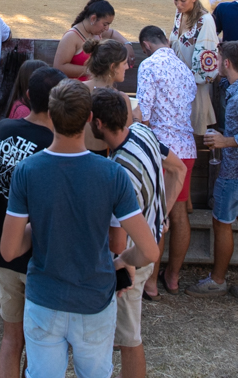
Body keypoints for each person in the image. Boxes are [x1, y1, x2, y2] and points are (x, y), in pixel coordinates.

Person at [0, 80, 159, 378]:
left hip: (44, 301)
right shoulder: (112, 173)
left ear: (50, 114)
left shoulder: (27, 171)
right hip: (94, 302)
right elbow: (149, 250)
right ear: (88, 119)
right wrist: (124, 260)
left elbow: (9, 250)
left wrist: (43, 226)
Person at [90, 87, 186, 378]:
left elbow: (118, 242)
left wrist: (122, 264)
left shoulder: (119, 172)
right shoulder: (143, 133)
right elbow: (178, 170)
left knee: (129, 340)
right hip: (147, 246)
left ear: (98, 123)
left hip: (130, 261)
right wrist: (160, 215)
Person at [0, 66, 64, 378]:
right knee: (41, 342)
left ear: (29, 96)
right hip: (38, 254)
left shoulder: (3, 128)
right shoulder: (54, 145)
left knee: (10, 338)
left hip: (0, 247)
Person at [186, 41, 238, 308]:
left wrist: (225, 141)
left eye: (219, 58)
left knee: (222, 223)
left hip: (237, 173)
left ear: (226, 63)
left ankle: (218, 280)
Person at [135, 25, 196, 298]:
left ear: (145, 45)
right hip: (186, 148)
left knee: (156, 215)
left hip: (161, 149)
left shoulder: (148, 66)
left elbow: (144, 115)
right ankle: (172, 277)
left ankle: (149, 283)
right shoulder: (184, 69)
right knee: (179, 214)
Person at [169, 0, 219, 137]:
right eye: (175, 0)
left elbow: (207, 58)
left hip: (194, 87)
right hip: (177, 85)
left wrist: (189, 81)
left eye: (183, 1)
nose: (178, 5)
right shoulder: (179, 14)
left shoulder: (205, 21)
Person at [52, 0, 132, 79]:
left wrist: (127, 44)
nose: (107, 28)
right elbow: (59, 67)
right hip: (76, 90)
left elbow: (113, 33)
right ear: (93, 19)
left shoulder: (96, 31)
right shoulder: (71, 37)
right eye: (105, 24)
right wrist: (92, 70)